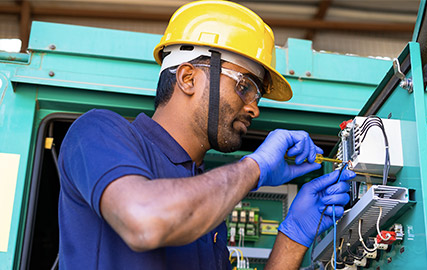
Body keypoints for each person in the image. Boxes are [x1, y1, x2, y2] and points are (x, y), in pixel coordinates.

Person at [57, 0, 355, 269]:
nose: (254, 109)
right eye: (245, 87)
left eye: (257, 97)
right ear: (188, 78)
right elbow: (144, 221)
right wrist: (255, 168)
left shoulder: (205, 204)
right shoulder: (99, 131)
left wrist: (294, 236)